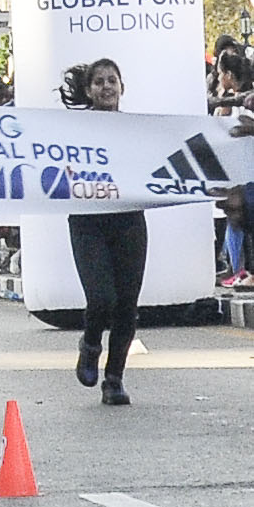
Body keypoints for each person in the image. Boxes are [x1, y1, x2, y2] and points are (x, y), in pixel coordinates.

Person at [60, 59, 144, 406]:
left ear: (122, 87)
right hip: (88, 222)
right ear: (88, 90)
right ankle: (91, 344)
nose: (106, 87)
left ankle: (114, 379)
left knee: (126, 305)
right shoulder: (74, 130)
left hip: (128, 220)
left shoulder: (139, 129)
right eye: (99, 82)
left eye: (112, 80)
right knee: (101, 297)